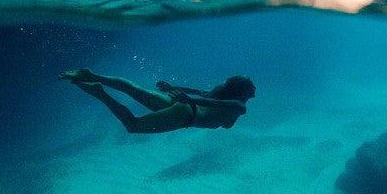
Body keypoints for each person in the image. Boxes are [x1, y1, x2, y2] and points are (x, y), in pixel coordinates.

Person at [60, 69, 255, 133]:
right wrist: (188, 99)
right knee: (133, 126)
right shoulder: (239, 107)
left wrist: (173, 89)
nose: (253, 93)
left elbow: (200, 93)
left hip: (185, 106)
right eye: (251, 90)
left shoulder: (219, 93)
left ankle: (93, 75)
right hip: (187, 113)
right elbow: (213, 104)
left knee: (134, 90)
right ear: (242, 92)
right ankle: (98, 92)